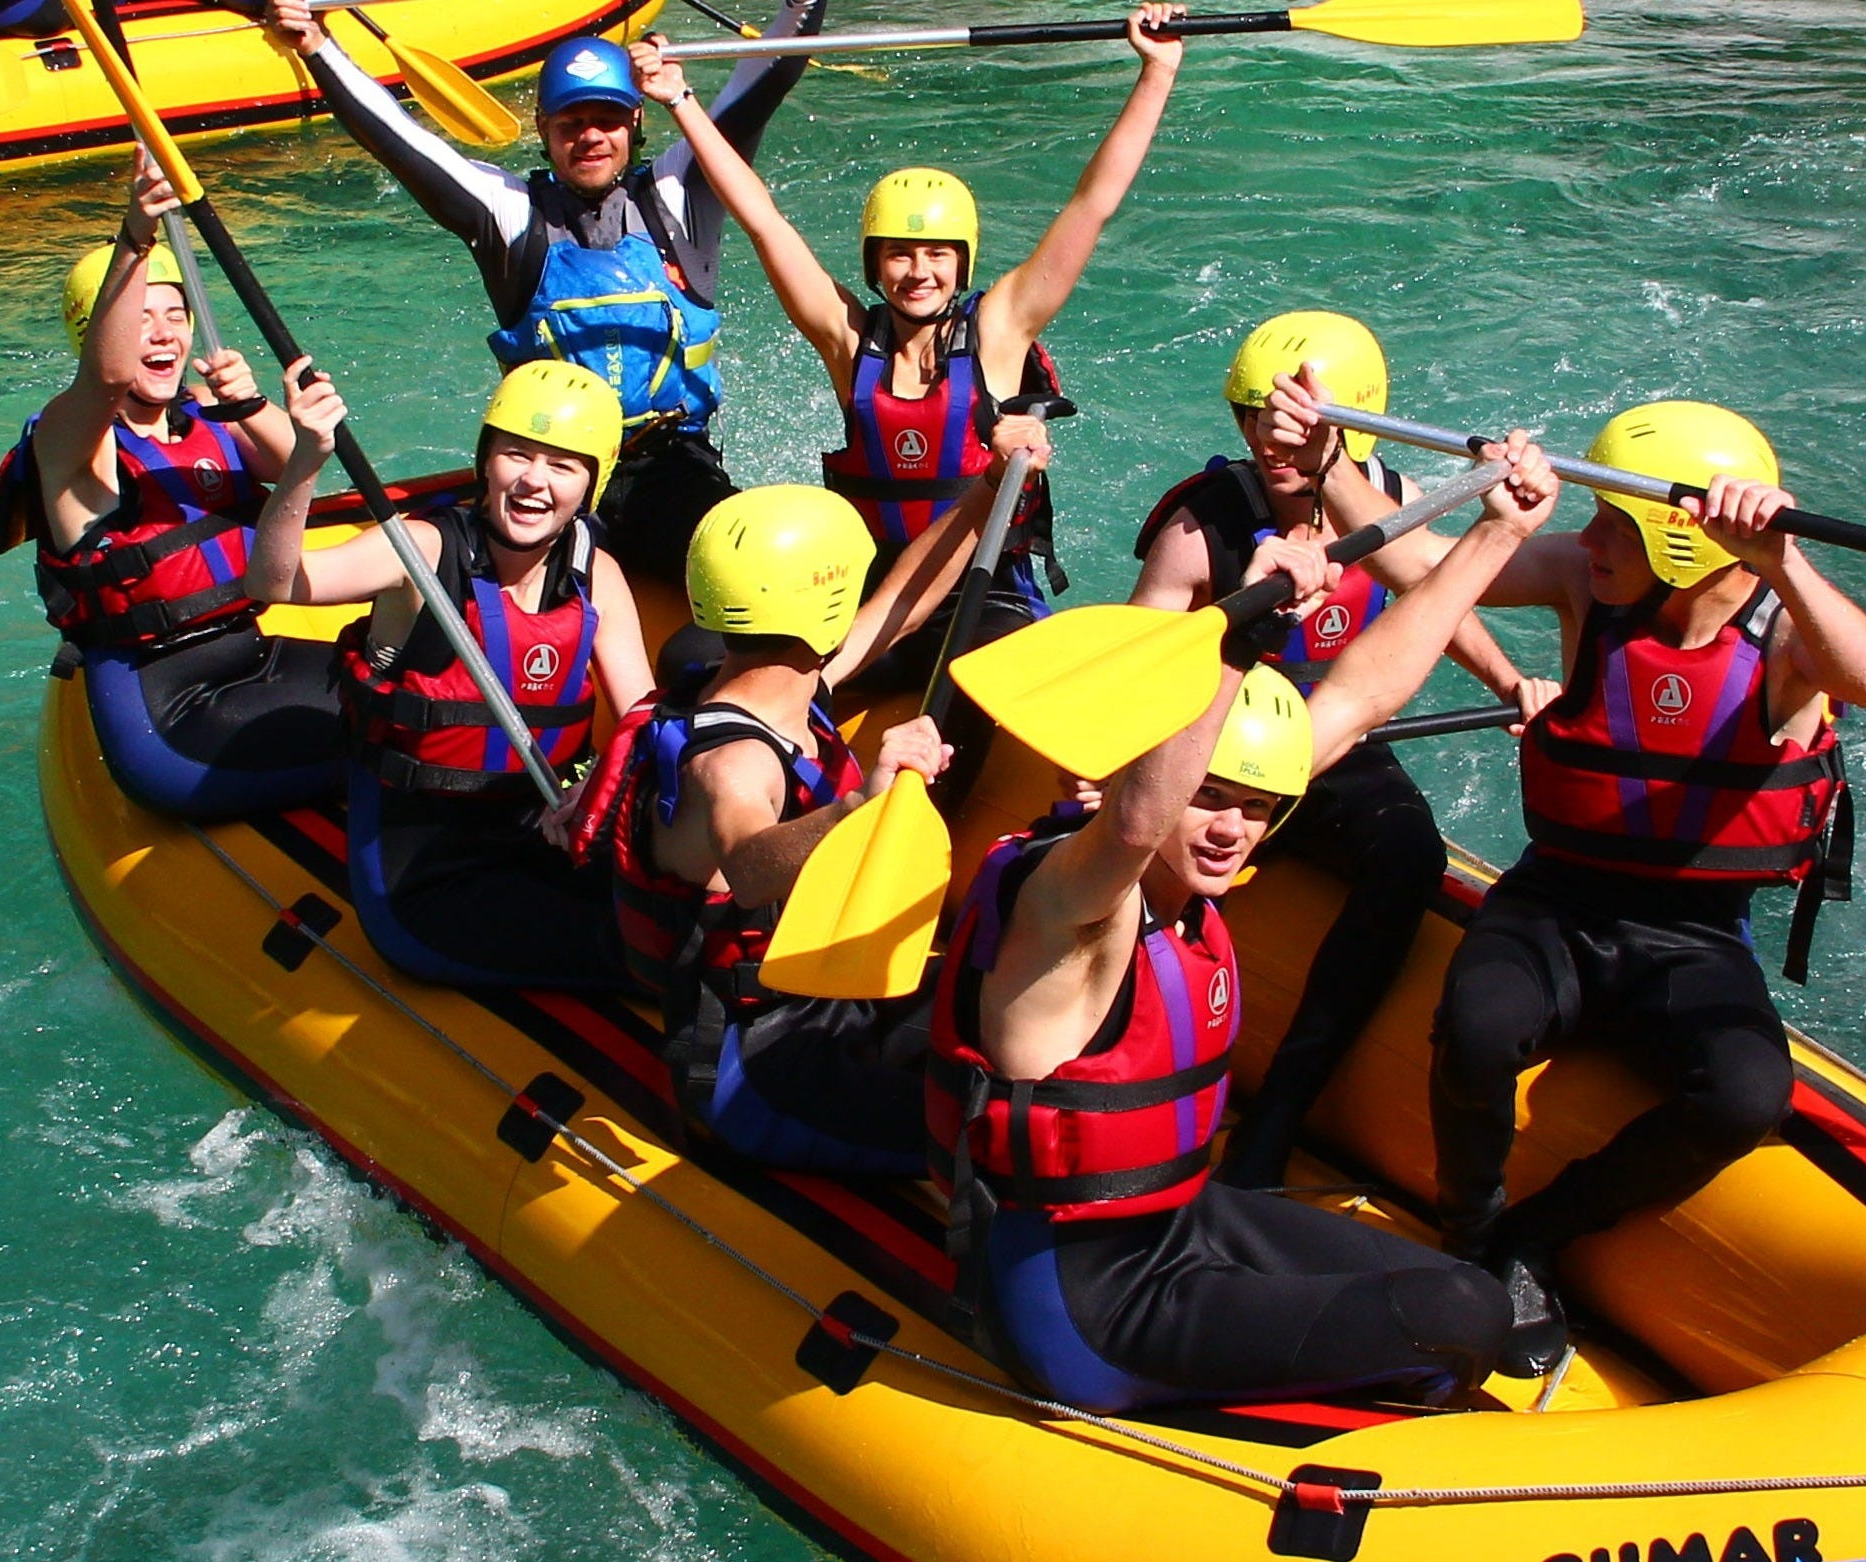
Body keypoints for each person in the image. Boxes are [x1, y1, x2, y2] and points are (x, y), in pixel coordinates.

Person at [925, 438, 1560, 1415]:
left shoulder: (1198, 873)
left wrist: (1496, 531)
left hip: (1180, 1223)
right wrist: (1240, 636)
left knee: (1474, 1300)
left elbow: (1364, 691)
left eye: (1258, 805)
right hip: (1084, 1304)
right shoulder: (1076, 900)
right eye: (1211, 797)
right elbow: (1140, 816)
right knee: (1455, 1321)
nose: (1232, 828)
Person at [1421, 400, 1866, 1346]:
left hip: (1693, 932)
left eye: (1615, 522)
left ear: (1680, 542)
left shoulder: (1785, 636)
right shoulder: (1582, 581)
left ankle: (1536, 1233)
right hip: (1555, 898)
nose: (1589, 533)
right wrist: (1350, 464)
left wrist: (1784, 560)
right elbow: (1425, 569)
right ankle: (1470, 1235)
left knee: (1746, 1097)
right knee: (1475, 1029)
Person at [1129, 322, 1549, 1193]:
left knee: (1408, 854)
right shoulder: (1197, 528)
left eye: (1289, 423)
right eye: (1254, 418)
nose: (1267, 441)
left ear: (1353, 428)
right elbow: (1142, 677)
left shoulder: (1393, 499)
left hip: (1328, 743)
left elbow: (1432, 594)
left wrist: (1511, 680)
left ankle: (1278, 1116)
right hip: (1211, 749)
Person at [671, 3, 1185, 680]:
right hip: (874, 584)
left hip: (983, 581)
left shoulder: (1000, 328)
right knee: (693, 659)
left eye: (937, 255)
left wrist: (1157, 73)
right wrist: (678, 100)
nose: (919, 273)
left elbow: (1092, 204)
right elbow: (762, 220)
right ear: (874, 264)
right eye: (900, 255)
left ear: (963, 261)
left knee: (973, 677)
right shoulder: (847, 338)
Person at [264, 1, 828, 589]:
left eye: (606, 120)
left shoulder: (679, 194)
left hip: (666, 469)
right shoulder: (510, 216)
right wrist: (316, 48)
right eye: (569, 123)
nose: (589, 137)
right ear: (543, 129)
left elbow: (768, 78)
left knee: (745, 562)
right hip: (543, 476)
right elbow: (400, 141)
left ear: (635, 122)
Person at [588, 475, 1014, 1173]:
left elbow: (901, 606)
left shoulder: (793, 681)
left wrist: (987, 493)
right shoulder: (730, 763)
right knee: (994, 1141)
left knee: (992, 1009)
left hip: (829, 1004)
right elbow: (751, 864)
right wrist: (861, 805)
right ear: (823, 608)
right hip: (756, 1064)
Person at [273, 360, 661, 992]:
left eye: (562, 465)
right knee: (639, 956)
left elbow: (643, 725)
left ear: (591, 484)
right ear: (485, 461)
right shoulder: (422, 551)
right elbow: (276, 581)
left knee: (671, 919)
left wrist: (593, 797)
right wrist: (306, 462)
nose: (534, 481)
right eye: (517, 455)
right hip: (424, 868)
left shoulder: (597, 575)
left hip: (538, 833)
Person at [0, 164, 350, 817]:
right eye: (143, 316)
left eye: (176, 314)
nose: (164, 333)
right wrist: (137, 232)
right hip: (170, 712)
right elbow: (107, 375)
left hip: (255, 656)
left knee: (410, 679)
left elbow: (295, 464)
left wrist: (252, 403)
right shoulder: (73, 443)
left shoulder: (202, 408)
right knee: (391, 734)